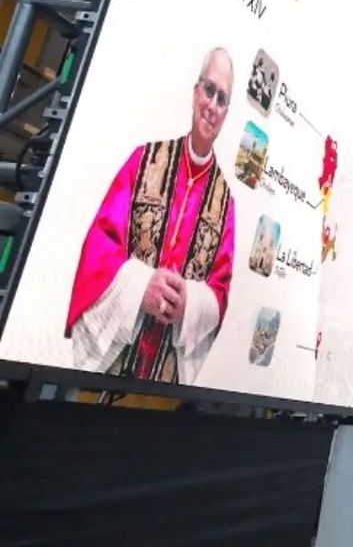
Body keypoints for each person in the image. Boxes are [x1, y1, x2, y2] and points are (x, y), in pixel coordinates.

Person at [66, 47, 237, 385]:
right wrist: (140, 287)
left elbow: (221, 290)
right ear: (195, 92)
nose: (212, 105)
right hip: (109, 369)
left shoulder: (226, 202)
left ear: (226, 112)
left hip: (165, 388)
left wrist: (190, 303)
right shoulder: (144, 160)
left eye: (222, 99)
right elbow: (99, 246)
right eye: (209, 90)